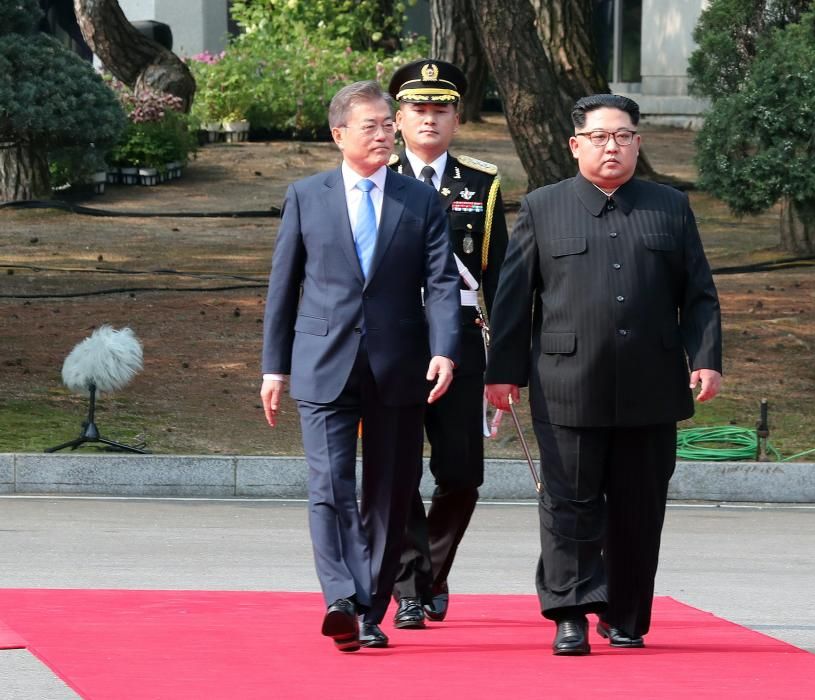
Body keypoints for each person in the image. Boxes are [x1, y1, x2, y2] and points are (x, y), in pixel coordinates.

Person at [484, 94, 722, 656]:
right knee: (569, 503)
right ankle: (570, 611)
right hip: (567, 382)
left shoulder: (670, 206)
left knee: (640, 507)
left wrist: (706, 357)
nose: (610, 146)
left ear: (638, 142)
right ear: (575, 145)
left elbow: (700, 295)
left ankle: (627, 615)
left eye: (622, 136)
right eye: (598, 137)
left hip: (652, 384)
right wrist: (502, 375)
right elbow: (515, 301)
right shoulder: (544, 206)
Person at [260, 80, 461, 653]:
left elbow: (442, 282)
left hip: (399, 364)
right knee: (329, 485)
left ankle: (368, 607)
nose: (383, 133)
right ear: (338, 134)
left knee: (391, 492)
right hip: (323, 362)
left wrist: (444, 348)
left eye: (386, 124)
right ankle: (340, 599)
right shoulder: (307, 195)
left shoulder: (420, 200)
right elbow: (283, 286)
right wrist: (274, 367)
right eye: (370, 125)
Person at [385, 59, 509, 629]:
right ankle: (409, 587)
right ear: (398, 117)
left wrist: (505, 364)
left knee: (462, 473)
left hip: (460, 336)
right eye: (418, 108)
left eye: (441, 108)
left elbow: (502, 280)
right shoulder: (376, 177)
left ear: (457, 117)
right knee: (399, 468)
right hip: (394, 336)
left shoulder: (480, 185)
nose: (429, 118)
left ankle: (431, 569)